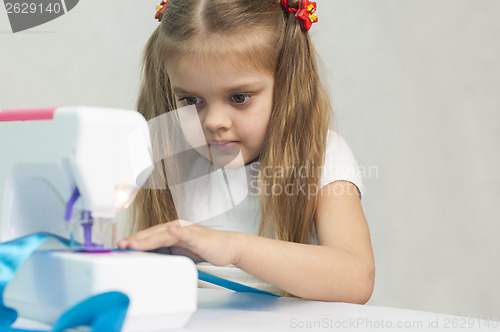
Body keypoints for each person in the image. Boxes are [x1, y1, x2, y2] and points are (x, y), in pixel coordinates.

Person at [118, 0, 374, 303]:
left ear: (287, 85)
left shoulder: (323, 157)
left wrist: (233, 248)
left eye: (239, 97)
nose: (214, 122)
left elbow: (356, 279)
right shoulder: (172, 160)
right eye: (190, 101)